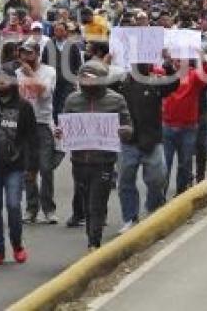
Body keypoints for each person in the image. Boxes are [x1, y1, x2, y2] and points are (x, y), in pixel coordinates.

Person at [62, 61, 133, 250]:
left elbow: (128, 127)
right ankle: (90, 238)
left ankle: (94, 242)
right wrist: (60, 132)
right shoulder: (72, 100)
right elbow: (65, 125)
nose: (87, 83)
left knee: (97, 203)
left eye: (92, 79)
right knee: (86, 203)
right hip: (79, 161)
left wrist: (122, 131)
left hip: (104, 162)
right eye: (84, 78)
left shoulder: (116, 100)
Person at [117, 53, 178, 232]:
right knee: (126, 181)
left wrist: (168, 64)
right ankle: (130, 217)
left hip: (152, 141)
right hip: (128, 142)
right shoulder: (121, 83)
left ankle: (153, 209)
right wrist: (107, 62)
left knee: (157, 179)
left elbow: (174, 83)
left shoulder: (156, 82)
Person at [0, 69, 38, 266]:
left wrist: (33, 167)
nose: (0, 84)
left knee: (14, 206)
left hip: (15, 166)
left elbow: (33, 138)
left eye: (4, 80)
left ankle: (17, 245)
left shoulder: (24, 107)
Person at [41, 22, 83, 227]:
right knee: (54, 107)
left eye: (61, 29)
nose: (58, 31)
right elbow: (42, 62)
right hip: (52, 82)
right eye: (55, 29)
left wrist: (75, 79)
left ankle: (63, 131)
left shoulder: (72, 46)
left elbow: (76, 65)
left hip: (66, 83)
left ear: (66, 31)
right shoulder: (48, 45)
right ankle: (56, 130)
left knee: (64, 107)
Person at [16, 40, 58, 225]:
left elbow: (44, 93)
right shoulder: (17, 74)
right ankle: (31, 209)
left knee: (46, 168)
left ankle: (48, 209)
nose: (26, 57)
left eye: (29, 53)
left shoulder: (49, 71)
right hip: (25, 126)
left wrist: (31, 75)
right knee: (28, 170)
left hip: (43, 123)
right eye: (23, 54)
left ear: (37, 54)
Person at [162, 58, 207, 196]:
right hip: (168, 126)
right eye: (175, 60)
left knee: (185, 163)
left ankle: (181, 192)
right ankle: (160, 196)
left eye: (180, 59)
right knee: (165, 164)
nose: (177, 62)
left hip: (188, 128)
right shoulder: (165, 74)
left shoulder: (193, 75)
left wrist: (202, 60)